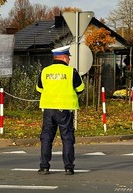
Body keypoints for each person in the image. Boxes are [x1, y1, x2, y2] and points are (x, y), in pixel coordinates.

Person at [36, 45, 85, 175]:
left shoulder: (44, 71)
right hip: (65, 110)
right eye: (68, 57)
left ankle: (44, 166)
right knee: (67, 138)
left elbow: (39, 89)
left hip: (48, 110)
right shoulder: (71, 72)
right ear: (63, 57)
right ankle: (69, 167)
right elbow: (80, 89)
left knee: (46, 138)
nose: (69, 59)